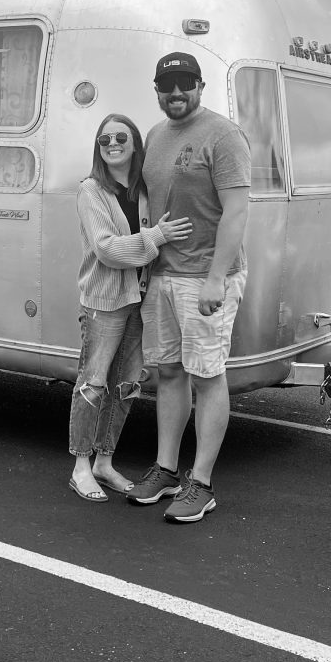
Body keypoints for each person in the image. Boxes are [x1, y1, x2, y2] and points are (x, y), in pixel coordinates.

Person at [128, 52, 251, 522]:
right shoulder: (156, 135)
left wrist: (217, 278)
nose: (176, 93)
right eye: (167, 85)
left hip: (205, 276)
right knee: (169, 373)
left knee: (207, 375)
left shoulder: (223, 135)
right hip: (163, 273)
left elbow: (236, 210)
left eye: (185, 83)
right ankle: (166, 470)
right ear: (157, 90)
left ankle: (201, 482)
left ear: (200, 86)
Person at [69, 112, 192, 501]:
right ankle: (81, 467)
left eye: (120, 138)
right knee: (93, 383)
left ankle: (105, 462)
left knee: (125, 386)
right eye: (105, 140)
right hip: (104, 304)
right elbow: (107, 249)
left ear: (135, 143)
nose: (113, 145)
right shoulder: (91, 190)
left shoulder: (143, 190)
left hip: (138, 299)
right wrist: (156, 236)